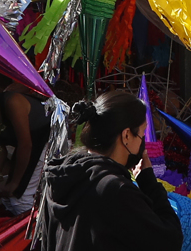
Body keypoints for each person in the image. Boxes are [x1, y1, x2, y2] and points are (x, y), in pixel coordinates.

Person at [38, 89, 183, 251]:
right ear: (126, 135)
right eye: (143, 134)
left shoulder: (60, 175)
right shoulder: (115, 189)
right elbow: (170, 241)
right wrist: (149, 184)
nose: (144, 144)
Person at [0, 70, 50, 215]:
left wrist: (15, 182)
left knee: (20, 199)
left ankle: (32, 234)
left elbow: (26, 145)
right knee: (7, 199)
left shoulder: (12, 102)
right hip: (27, 146)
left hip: (44, 141)